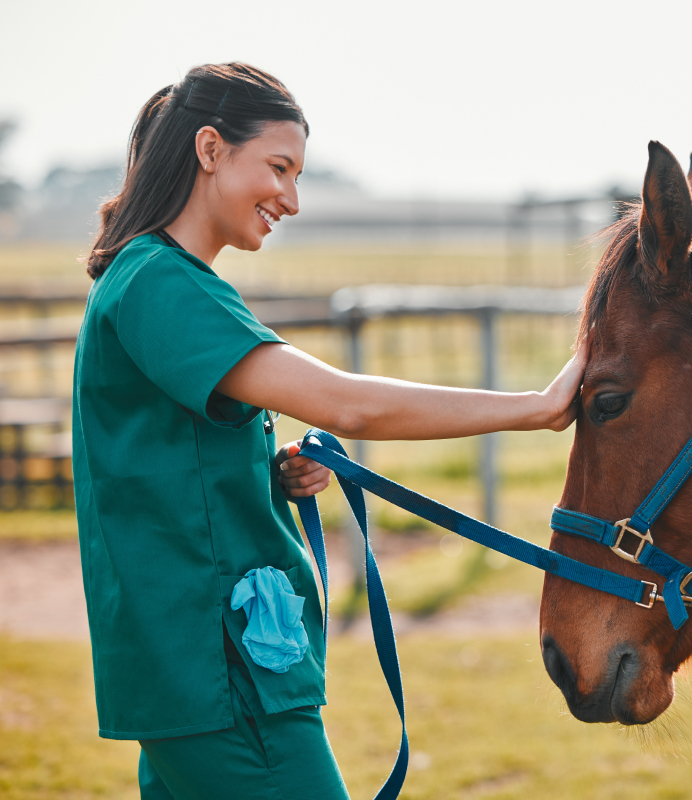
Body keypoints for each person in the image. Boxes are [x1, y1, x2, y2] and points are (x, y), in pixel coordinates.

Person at [74, 62, 585, 800]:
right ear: (210, 149)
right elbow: (347, 405)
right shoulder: (160, 281)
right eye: (278, 168)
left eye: (298, 174)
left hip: (193, 670)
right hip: (222, 674)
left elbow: (164, 456)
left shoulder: (148, 277)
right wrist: (536, 406)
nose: (292, 198)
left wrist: (265, 469)